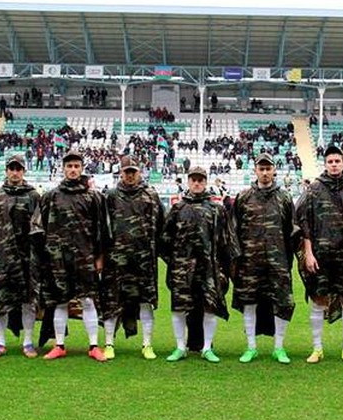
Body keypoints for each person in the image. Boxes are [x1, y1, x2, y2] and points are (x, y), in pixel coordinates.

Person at [296, 146, 343, 364]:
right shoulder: (314, 190)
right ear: (325, 164)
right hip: (320, 255)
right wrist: (308, 253)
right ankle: (317, 348)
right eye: (330, 161)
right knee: (318, 300)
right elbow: (304, 223)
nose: (334, 164)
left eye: (338, 161)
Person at [32, 150, 108, 362]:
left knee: (87, 301)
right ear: (63, 169)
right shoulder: (51, 196)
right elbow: (38, 228)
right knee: (60, 301)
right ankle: (59, 345)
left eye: (76, 166)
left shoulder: (94, 197)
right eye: (69, 166)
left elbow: (102, 229)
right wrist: (47, 254)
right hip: (58, 260)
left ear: (82, 168)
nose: (73, 170)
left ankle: (93, 345)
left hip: (85, 257)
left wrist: (99, 257)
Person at [161, 166, 239, 363]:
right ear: (188, 182)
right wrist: (175, 262)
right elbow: (164, 240)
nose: (197, 183)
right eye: (193, 180)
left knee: (209, 307)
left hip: (209, 268)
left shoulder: (216, 210)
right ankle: (180, 347)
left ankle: (206, 348)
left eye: (200, 180)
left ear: (206, 182)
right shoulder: (178, 209)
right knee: (179, 307)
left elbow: (227, 240)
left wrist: (225, 268)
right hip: (181, 269)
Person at [231, 153, 297, 364]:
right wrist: (237, 259)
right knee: (249, 302)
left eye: (269, 168)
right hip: (250, 262)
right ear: (255, 171)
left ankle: (279, 347)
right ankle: (251, 347)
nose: (265, 172)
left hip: (278, 262)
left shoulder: (285, 198)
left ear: (274, 170)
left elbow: (292, 231)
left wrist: (287, 258)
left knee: (282, 302)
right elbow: (233, 230)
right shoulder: (244, 197)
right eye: (262, 168)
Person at [101, 156, 165, 360]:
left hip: (144, 261)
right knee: (112, 303)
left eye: (133, 171)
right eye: (126, 171)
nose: (129, 175)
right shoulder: (110, 196)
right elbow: (102, 228)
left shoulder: (150, 195)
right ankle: (109, 343)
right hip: (115, 261)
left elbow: (162, 228)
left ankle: (147, 344)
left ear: (139, 172)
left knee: (145, 302)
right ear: (120, 172)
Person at [0, 154, 41, 359]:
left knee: (28, 300)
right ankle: (0, 342)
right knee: (1, 301)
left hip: (27, 258)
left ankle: (28, 342)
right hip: (2, 258)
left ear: (24, 171)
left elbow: (40, 228)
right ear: (6, 171)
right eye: (12, 168)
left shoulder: (33, 196)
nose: (15, 172)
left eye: (19, 168)